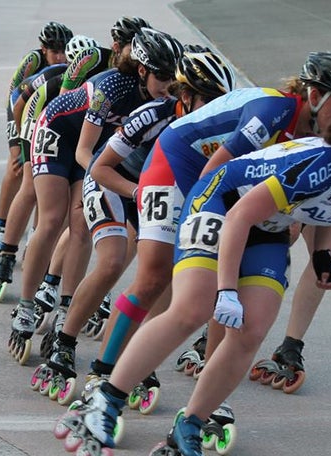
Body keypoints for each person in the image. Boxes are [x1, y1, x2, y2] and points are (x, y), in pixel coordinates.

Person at [57, 52, 331, 455]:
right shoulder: (275, 112)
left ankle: (196, 415)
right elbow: (213, 179)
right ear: (316, 96)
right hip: (185, 164)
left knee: (251, 325)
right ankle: (104, 389)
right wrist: (223, 279)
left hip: (251, 203)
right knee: (174, 291)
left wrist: (320, 257)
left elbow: (324, 204)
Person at [37, 50, 235, 407]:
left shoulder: (220, 126)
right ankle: (64, 342)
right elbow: (99, 168)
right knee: (113, 264)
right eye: (210, 100)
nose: (217, 109)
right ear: (185, 96)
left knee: (165, 277)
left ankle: (137, 354)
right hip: (116, 183)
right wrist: (136, 193)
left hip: (162, 193)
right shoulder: (152, 116)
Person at [6, 28, 183, 365]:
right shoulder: (112, 86)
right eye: (161, 77)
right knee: (54, 218)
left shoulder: (161, 97)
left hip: (97, 147)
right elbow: (84, 153)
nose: (167, 86)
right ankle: (26, 305)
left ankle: (67, 309)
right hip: (59, 132)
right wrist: (102, 186)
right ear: (142, 70)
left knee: (82, 224)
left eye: (171, 79)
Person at [0, 21, 73, 257]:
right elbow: (13, 97)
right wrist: (17, 141)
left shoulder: (71, 66)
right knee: (17, 168)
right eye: (55, 51)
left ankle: (34, 236)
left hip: (46, 114)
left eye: (65, 51)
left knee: (42, 182)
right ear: (43, 49)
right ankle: (0, 226)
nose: (61, 57)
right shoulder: (33, 61)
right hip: (22, 109)